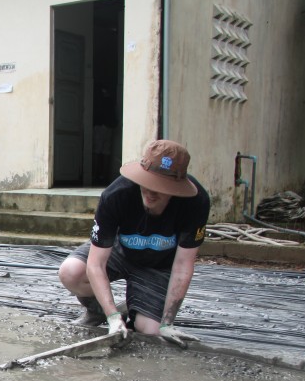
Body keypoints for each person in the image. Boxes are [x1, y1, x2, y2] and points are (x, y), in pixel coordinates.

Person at [58, 139, 210, 348]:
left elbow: (183, 265)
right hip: (120, 251)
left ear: (176, 188)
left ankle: (140, 310)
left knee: (151, 331)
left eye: (160, 187)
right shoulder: (116, 194)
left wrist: (167, 322)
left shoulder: (196, 202)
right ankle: (100, 311)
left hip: (158, 264)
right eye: (146, 183)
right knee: (71, 272)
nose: (150, 191)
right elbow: (96, 263)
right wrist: (112, 316)